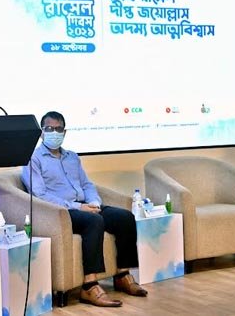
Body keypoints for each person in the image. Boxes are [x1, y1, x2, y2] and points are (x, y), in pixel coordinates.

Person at [22, 111, 147, 307]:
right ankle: (89, 286)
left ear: (65, 132)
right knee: (94, 221)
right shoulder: (33, 159)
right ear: (41, 132)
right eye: (49, 129)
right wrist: (78, 207)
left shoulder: (72, 157)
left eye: (58, 129)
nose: (54, 133)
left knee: (124, 217)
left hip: (85, 205)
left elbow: (87, 184)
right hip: (61, 212)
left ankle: (122, 275)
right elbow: (40, 195)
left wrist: (94, 202)